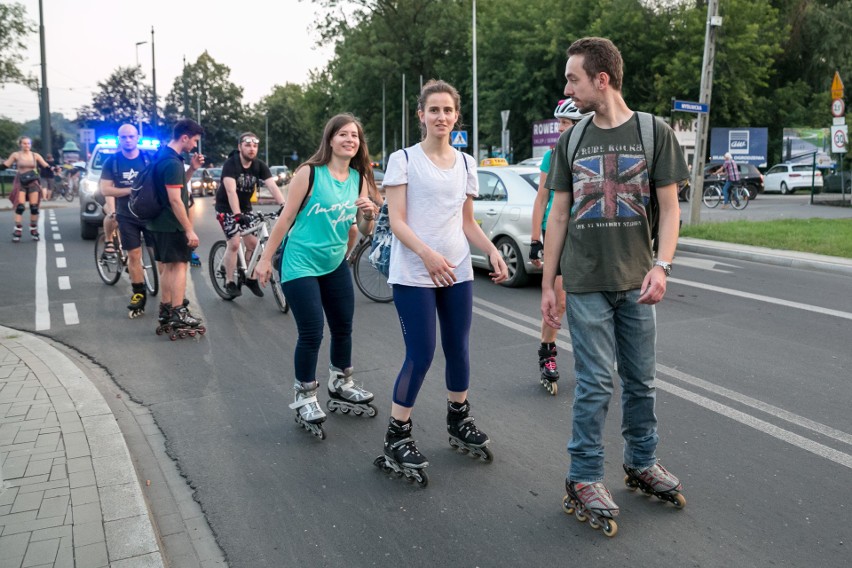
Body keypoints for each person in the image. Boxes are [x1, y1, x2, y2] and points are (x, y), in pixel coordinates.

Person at [541, 37, 688, 533]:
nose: (568, 87)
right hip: (584, 283)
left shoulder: (653, 132)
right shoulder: (572, 139)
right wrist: (548, 283)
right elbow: (558, 215)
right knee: (598, 381)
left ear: (601, 80)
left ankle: (641, 461)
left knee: (642, 379)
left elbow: (669, 209)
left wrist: (662, 265)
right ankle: (583, 475)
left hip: (636, 280)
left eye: (573, 78)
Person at [373, 80, 509, 486]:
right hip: (414, 273)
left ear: (456, 116)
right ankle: (397, 434)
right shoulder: (404, 160)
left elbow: (467, 223)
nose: (441, 117)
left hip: (458, 270)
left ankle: (458, 419)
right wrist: (427, 255)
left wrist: (493, 251)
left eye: (448, 111)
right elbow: (397, 221)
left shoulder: (467, 164)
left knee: (458, 347)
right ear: (421, 115)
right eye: (434, 110)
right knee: (422, 353)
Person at [256, 113, 380, 440]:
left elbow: (361, 228)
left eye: (355, 135)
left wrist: (368, 216)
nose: (350, 140)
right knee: (312, 332)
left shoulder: (359, 178)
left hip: (334, 262)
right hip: (299, 263)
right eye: (343, 134)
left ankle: (340, 383)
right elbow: (285, 220)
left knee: (343, 326)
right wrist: (266, 259)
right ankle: (305, 395)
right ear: (330, 139)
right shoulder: (309, 173)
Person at [529, 98, 591, 396]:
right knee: (559, 301)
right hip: (558, 233)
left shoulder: (592, 154)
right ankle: (548, 356)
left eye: (566, 123)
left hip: (588, 234)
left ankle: (592, 359)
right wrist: (534, 240)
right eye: (561, 123)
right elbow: (541, 200)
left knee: (591, 303)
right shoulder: (552, 156)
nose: (561, 128)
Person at [146, 119, 206, 336]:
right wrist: (189, 228)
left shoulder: (165, 156)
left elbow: (178, 186)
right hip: (171, 223)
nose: (194, 146)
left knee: (169, 267)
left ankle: (166, 308)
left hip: (159, 223)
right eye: (194, 141)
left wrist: (192, 169)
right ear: (184, 138)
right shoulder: (171, 163)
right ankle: (178, 312)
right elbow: (176, 200)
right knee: (180, 265)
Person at [214, 132, 286, 298]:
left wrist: (284, 205)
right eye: (247, 145)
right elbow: (231, 191)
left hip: (245, 208)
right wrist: (237, 214)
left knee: (253, 244)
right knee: (234, 242)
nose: (252, 149)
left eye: (255, 145)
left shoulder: (259, 165)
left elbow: (273, 187)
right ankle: (230, 282)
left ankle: (249, 278)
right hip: (226, 208)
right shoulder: (231, 165)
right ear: (240, 147)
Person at [100, 124, 158, 318]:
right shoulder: (112, 162)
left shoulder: (148, 159)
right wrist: (130, 190)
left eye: (131, 137)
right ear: (119, 139)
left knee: (159, 255)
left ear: (137, 138)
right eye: (124, 137)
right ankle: (138, 294)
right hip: (126, 215)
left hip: (150, 214)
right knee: (134, 255)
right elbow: (106, 190)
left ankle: (170, 297)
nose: (127, 140)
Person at [2, 136, 50, 242]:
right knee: (20, 207)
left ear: (30, 145)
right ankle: (18, 230)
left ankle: (33, 230)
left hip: (33, 182)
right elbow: (5, 165)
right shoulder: (16, 155)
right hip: (20, 182)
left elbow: (46, 166)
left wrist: (54, 169)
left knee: (34, 207)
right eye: (24, 143)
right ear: (20, 144)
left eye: (28, 143)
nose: (26, 145)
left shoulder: (35, 155)